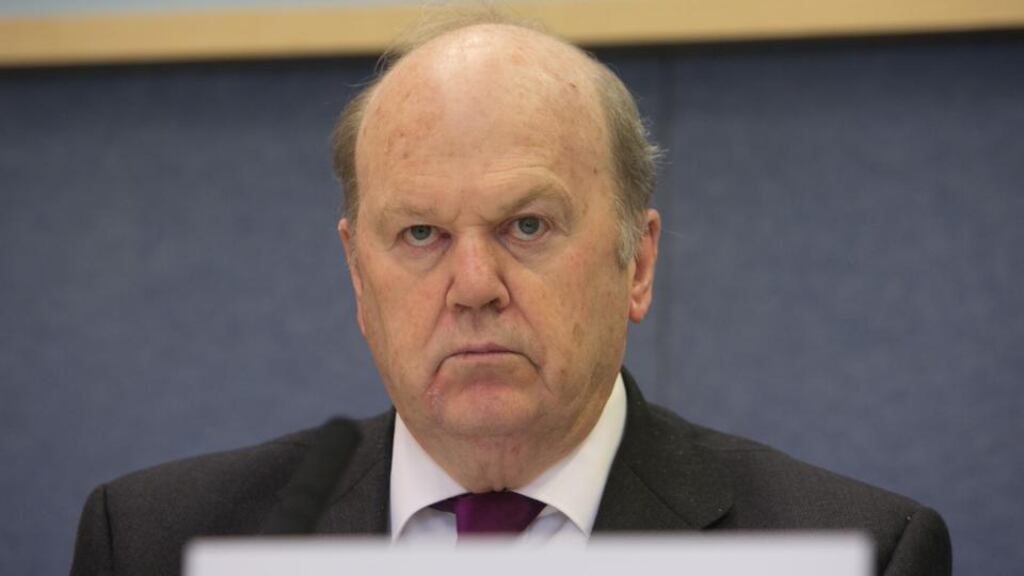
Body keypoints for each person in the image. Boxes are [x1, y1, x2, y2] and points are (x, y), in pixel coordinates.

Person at [70, 8, 951, 576]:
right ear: (356, 277)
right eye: (420, 235)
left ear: (635, 263)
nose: (474, 286)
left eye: (527, 226)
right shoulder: (153, 543)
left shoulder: (857, 552)